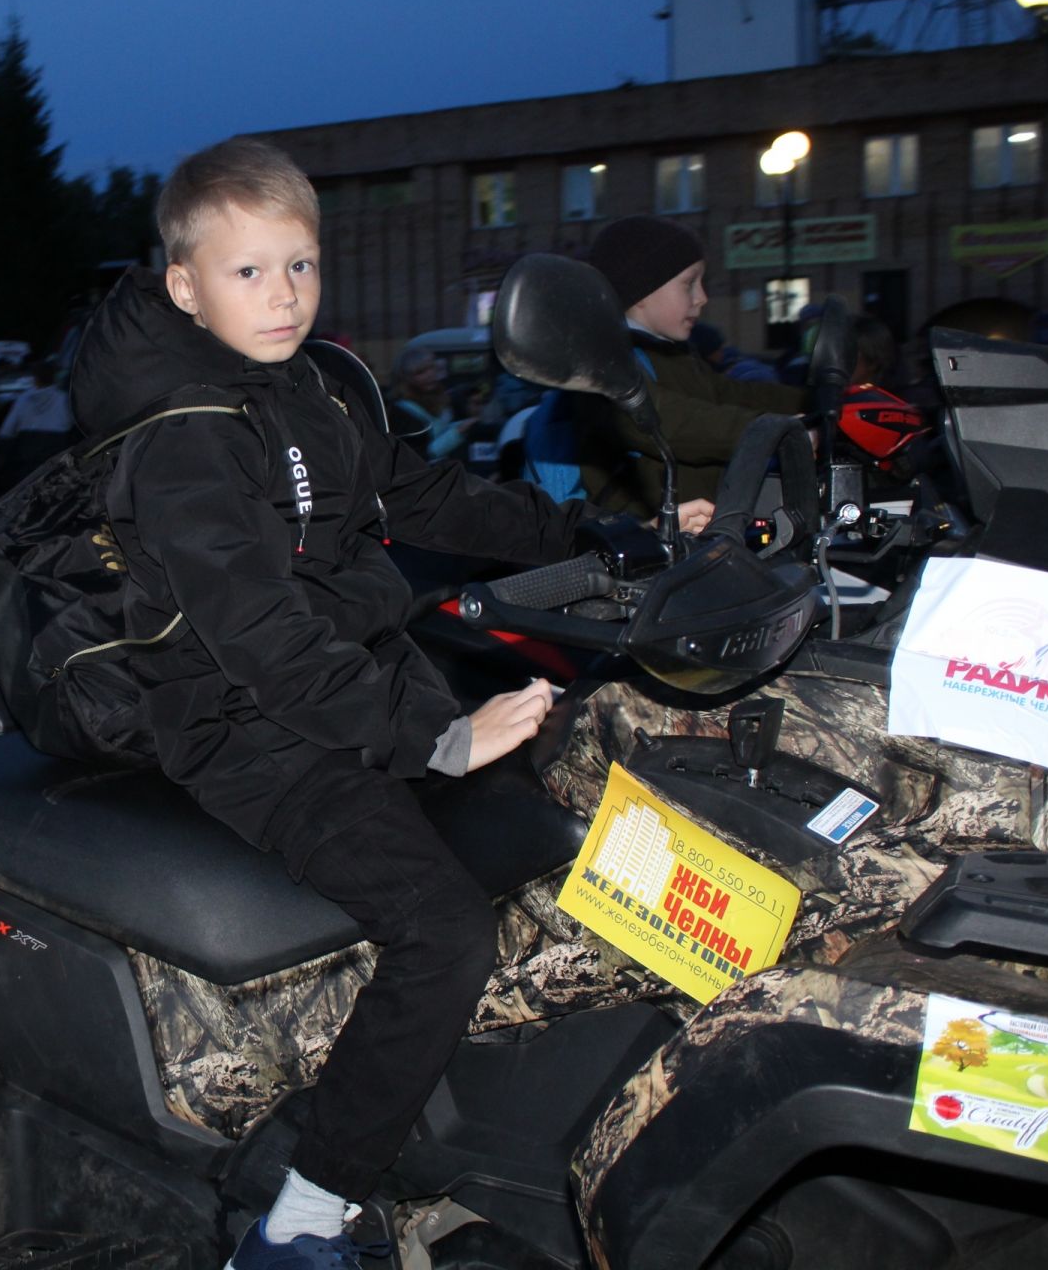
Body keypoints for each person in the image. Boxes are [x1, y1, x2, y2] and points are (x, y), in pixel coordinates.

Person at [66, 138, 710, 1269]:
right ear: (184, 285)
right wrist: (436, 736)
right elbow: (260, 636)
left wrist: (604, 539)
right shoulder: (179, 437)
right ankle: (307, 1210)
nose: (283, 296)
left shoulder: (309, 387)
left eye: (301, 267)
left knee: (562, 801)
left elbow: (425, 492)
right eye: (249, 272)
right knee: (442, 930)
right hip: (250, 732)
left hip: (350, 685)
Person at [571, 215, 806, 516]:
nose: (702, 297)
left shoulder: (674, 353)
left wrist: (818, 399)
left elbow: (730, 393)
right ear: (642, 290)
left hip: (693, 534)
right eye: (689, 284)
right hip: (645, 543)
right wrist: (774, 430)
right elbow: (669, 420)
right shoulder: (602, 364)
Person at [0, 359, 72, 491]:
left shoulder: (23, 400)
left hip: (28, 458)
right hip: (56, 456)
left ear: (35, 378)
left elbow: (7, 431)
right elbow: (70, 424)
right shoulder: (63, 400)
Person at [390, 348, 476, 461]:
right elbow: (421, 454)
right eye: (420, 372)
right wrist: (457, 433)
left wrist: (462, 426)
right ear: (407, 378)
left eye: (432, 368)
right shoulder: (403, 410)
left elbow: (439, 430)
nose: (429, 375)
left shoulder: (441, 397)